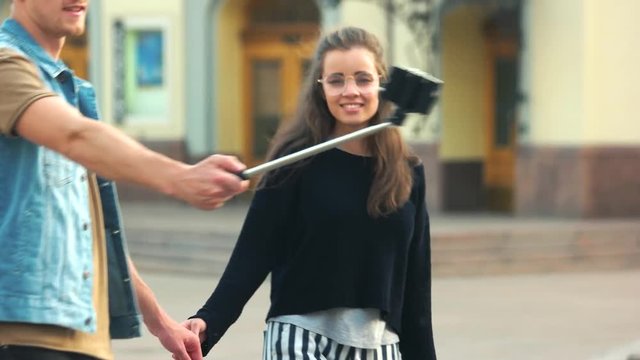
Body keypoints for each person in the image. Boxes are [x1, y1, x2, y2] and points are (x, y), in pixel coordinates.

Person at [0, 1, 249, 360]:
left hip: (79, 334)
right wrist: (180, 177)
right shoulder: (7, 64)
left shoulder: (65, 86)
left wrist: (160, 321)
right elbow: (76, 136)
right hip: (22, 333)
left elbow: (93, 234)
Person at [182, 26, 437, 360]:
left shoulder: (408, 171)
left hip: (380, 344)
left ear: (381, 83)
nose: (350, 91)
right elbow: (255, 250)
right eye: (336, 80)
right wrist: (209, 319)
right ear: (321, 87)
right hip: (299, 338)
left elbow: (416, 283)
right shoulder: (294, 161)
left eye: (362, 78)